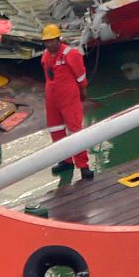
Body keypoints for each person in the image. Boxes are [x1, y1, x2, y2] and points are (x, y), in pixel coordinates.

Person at [41, 24, 92, 180]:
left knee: (75, 130)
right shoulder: (45, 56)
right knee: (56, 130)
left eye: (52, 41)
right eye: (47, 41)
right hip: (52, 99)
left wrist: (83, 90)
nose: (49, 44)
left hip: (69, 98)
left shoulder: (71, 54)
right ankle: (66, 160)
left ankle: (83, 166)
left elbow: (80, 75)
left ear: (58, 39)